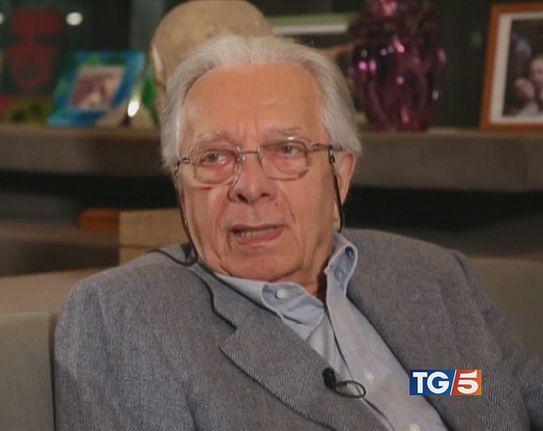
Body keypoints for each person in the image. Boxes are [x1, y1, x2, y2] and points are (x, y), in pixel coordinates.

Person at [55, 35, 543, 430]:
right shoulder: (126, 316)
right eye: (214, 157)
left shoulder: (434, 274)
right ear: (182, 188)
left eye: (287, 150)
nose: (250, 187)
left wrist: (423, 383)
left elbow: (481, 389)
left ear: (340, 176)